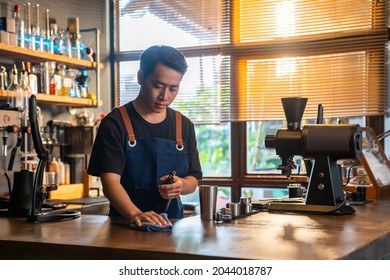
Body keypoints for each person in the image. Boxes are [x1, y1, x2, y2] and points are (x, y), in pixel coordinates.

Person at [87, 45, 202, 227]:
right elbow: (110, 182)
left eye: (173, 88)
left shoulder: (184, 125)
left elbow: (193, 179)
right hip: (125, 226)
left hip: (173, 226)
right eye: (158, 86)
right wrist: (136, 214)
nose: (164, 96)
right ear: (141, 77)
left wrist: (181, 185)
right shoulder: (115, 123)